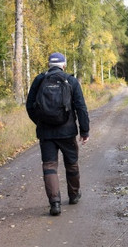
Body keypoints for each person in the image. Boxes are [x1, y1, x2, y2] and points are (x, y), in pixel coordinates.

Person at [26, 52, 90, 216]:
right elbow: (81, 107)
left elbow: (29, 106)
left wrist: (40, 122)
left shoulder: (40, 80)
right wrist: (84, 131)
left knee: (49, 167)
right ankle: (74, 195)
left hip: (46, 133)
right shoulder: (71, 80)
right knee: (72, 163)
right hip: (67, 132)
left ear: (49, 64)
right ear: (64, 64)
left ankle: (55, 204)